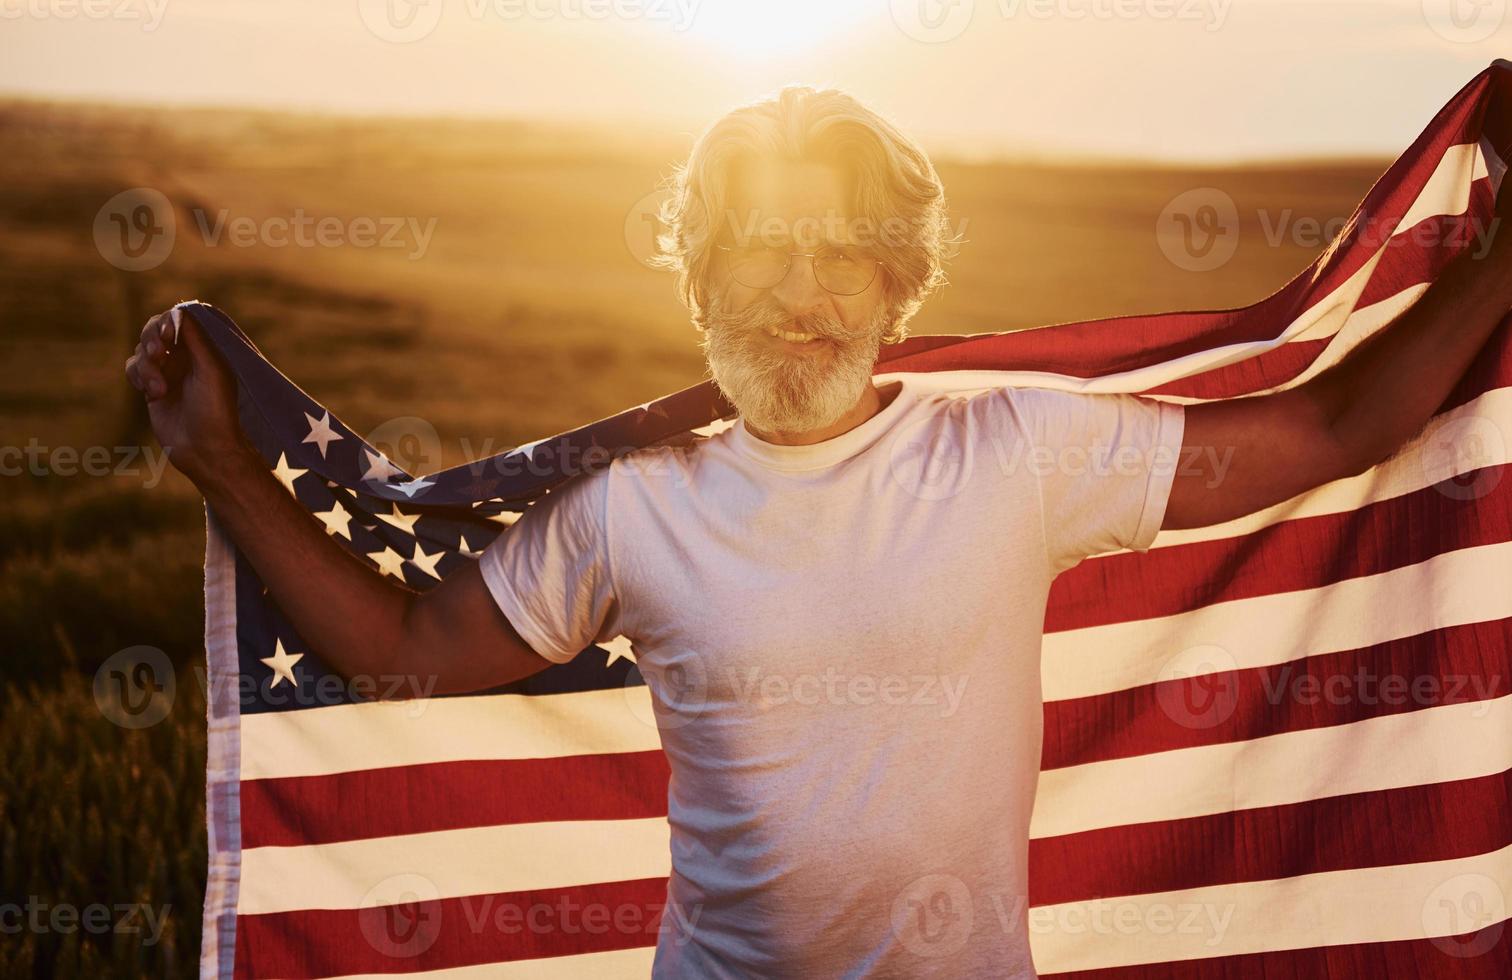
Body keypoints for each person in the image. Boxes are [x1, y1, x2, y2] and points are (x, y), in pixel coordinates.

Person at [124, 85, 1511, 977]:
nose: (802, 295)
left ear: (896, 290)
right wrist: (228, 470)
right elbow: (408, 650)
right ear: (703, 279)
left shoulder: (1016, 453)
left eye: (843, 253)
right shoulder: (634, 507)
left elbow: (1333, 432)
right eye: (764, 250)